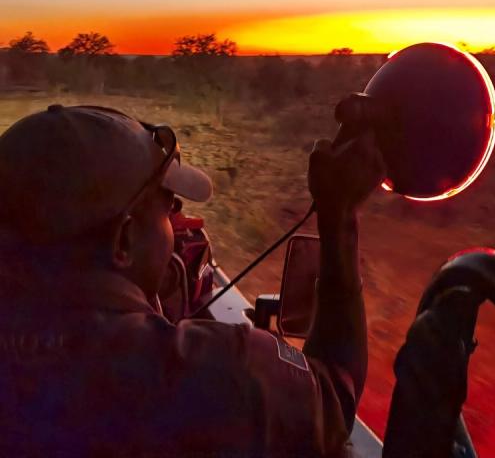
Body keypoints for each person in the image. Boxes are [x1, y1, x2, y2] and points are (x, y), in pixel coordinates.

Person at [0, 103, 385, 457]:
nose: (178, 229)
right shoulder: (213, 373)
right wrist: (339, 215)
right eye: (168, 209)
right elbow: (336, 394)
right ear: (124, 240)